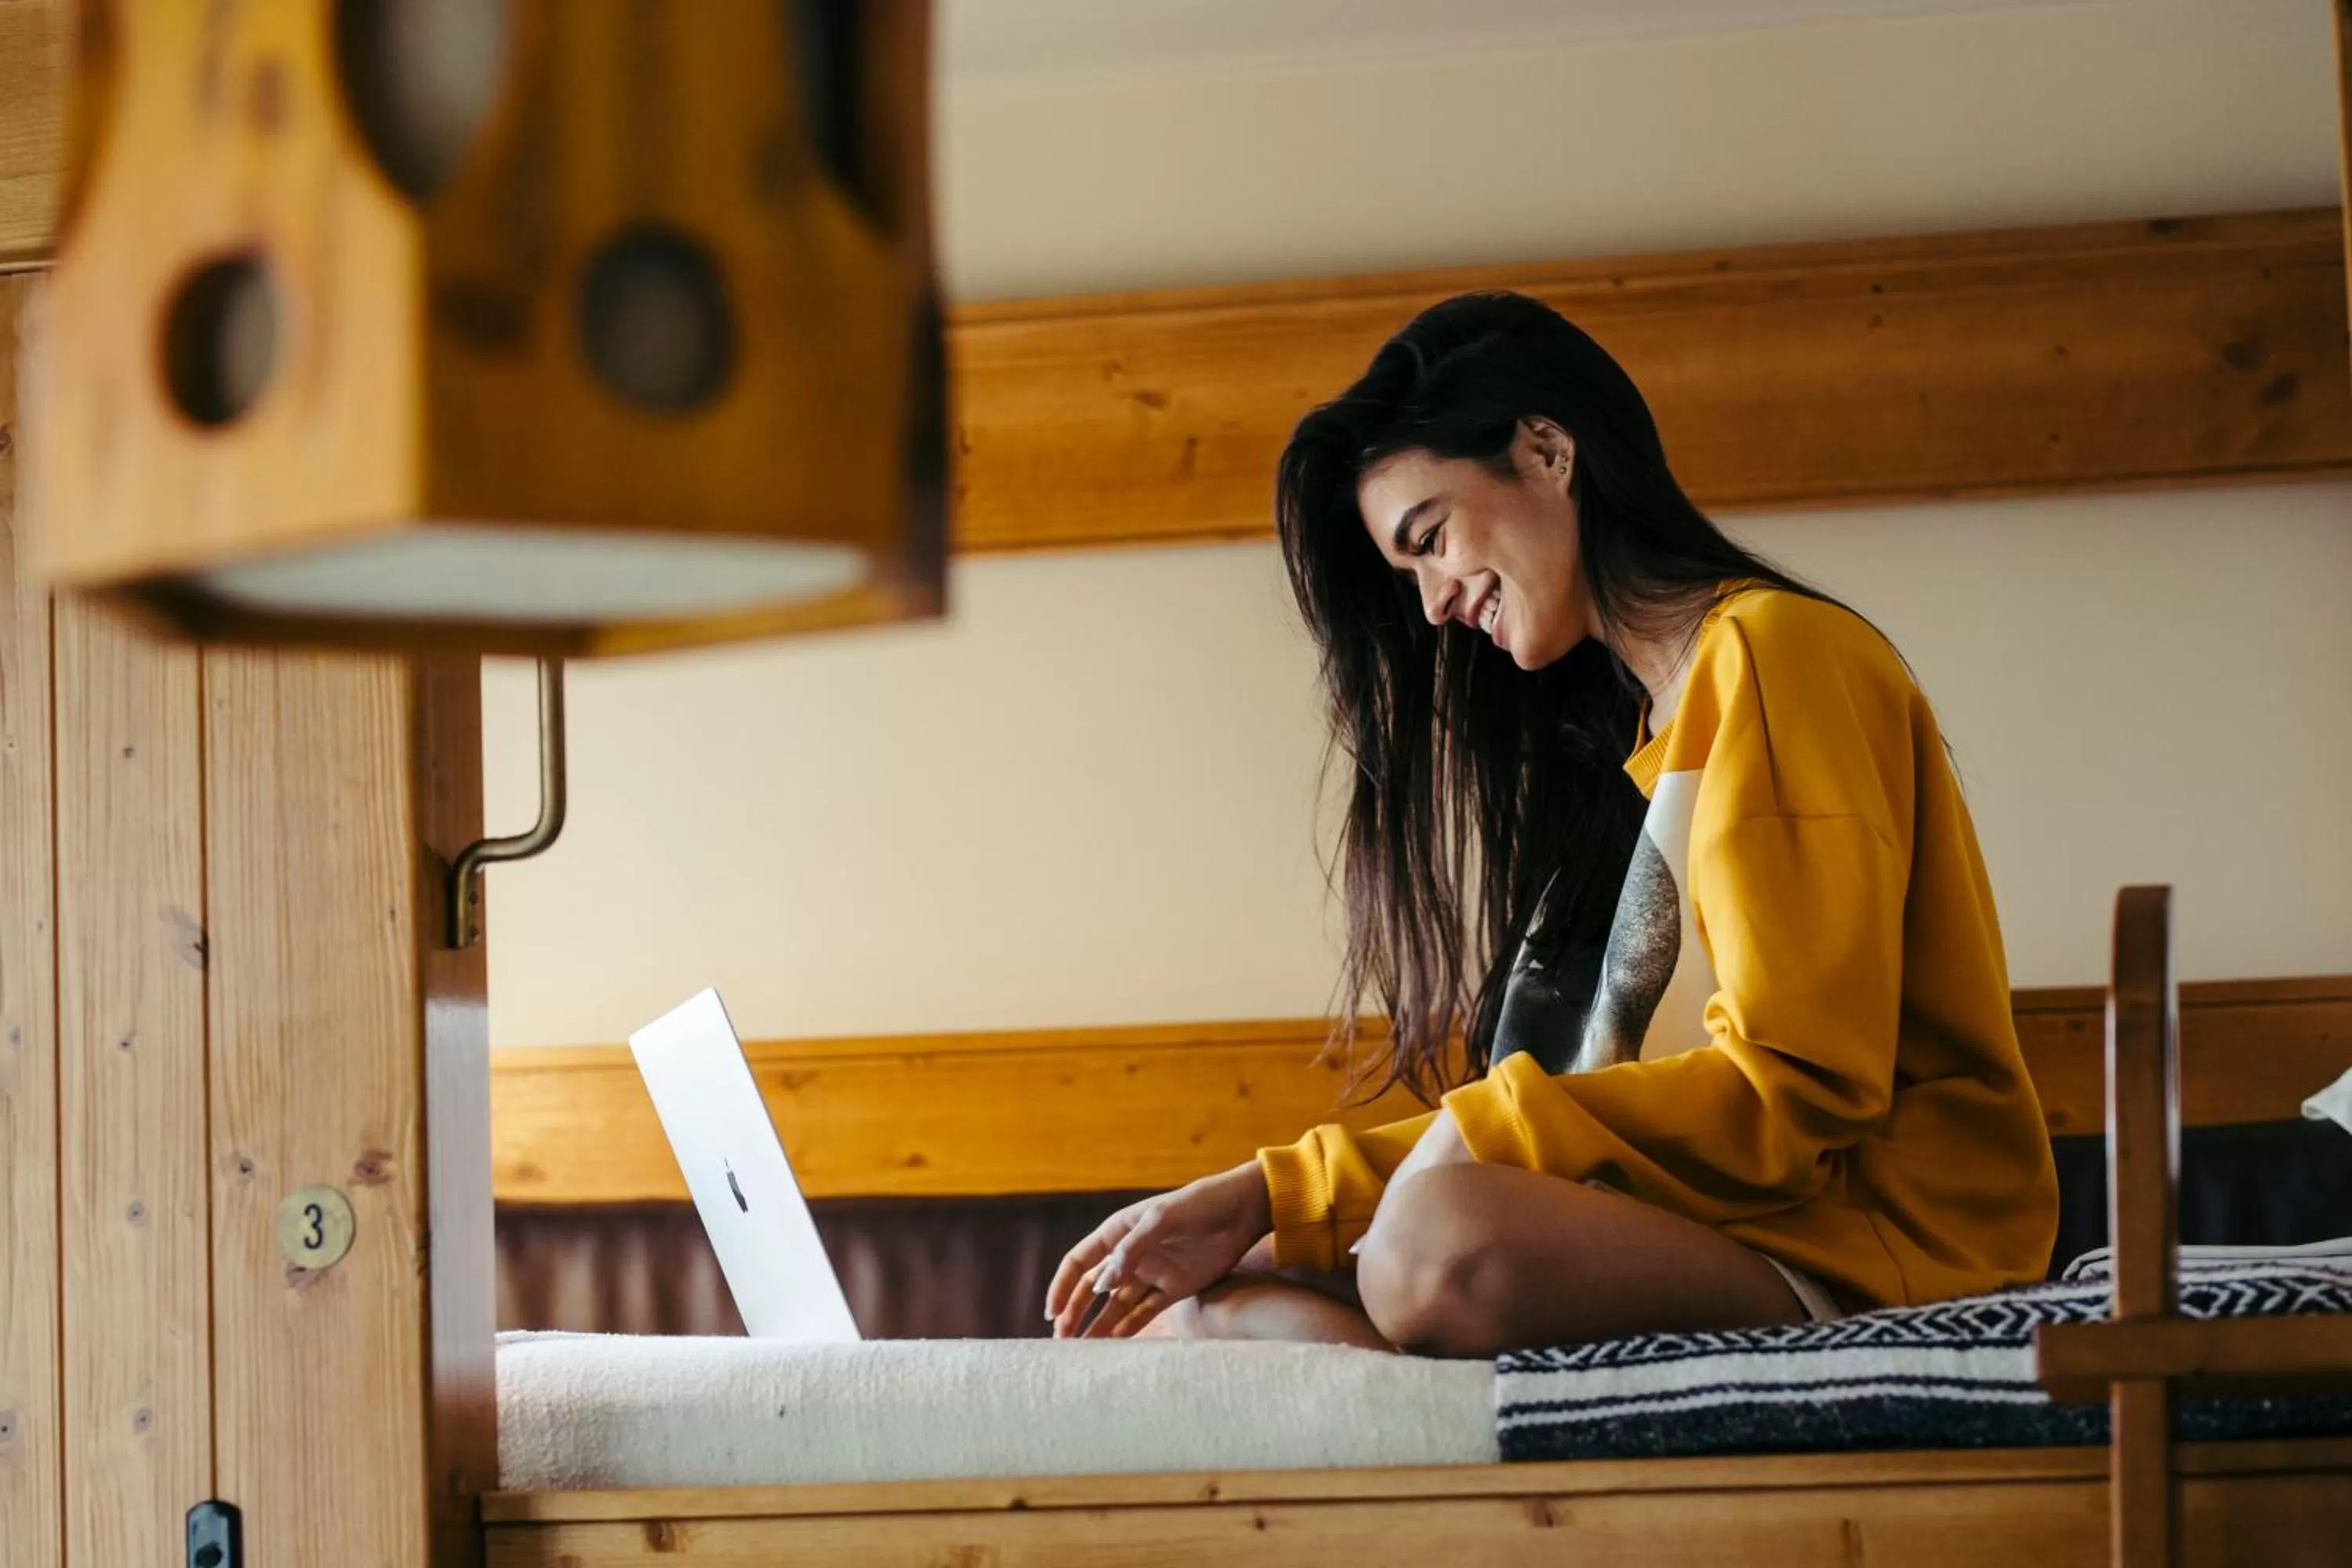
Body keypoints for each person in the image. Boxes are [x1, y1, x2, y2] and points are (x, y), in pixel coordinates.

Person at [1045, 291, 2058, 1356]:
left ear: (1545, 451)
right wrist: (1269, 1202)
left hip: (1879, 1256)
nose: (1434, 603)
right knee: (1202, 1302)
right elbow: (1586, 1109)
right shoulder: (1631, 745)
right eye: (1410, 573)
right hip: (1723, 1234)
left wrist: (1331, 1182)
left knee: (1427, 1244)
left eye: (1431, 539)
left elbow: (1795, 1089)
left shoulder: (1774, 654)